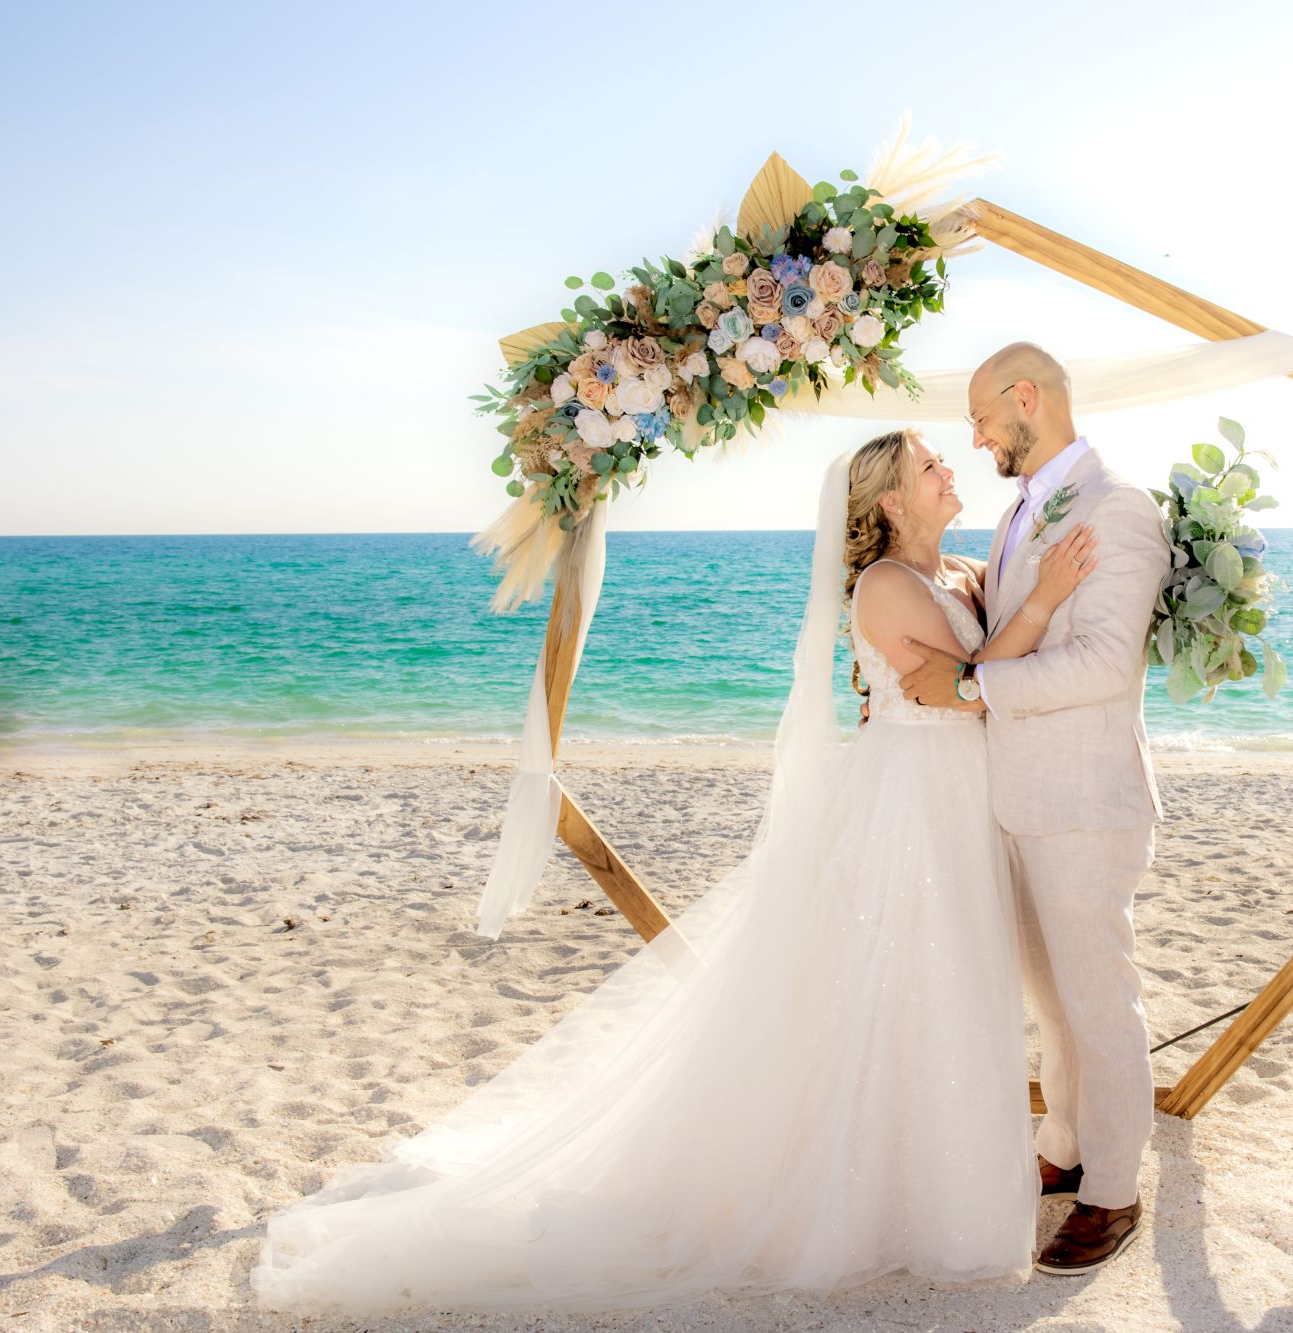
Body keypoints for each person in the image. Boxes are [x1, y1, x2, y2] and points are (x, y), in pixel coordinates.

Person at [248, 427, 1099, 1316]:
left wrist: (1030, 603)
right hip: (910, 799)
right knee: (913, 978)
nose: (947, 471)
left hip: (961, 796)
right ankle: (895, 1200)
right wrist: (1041, 603)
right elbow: (976, 677)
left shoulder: (957, 573)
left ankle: (935, 1180)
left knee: (953, 981)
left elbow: (979, 673)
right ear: (889, 499)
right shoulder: (886, 585)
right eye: (930, 466)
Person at [898, 342, 1172, 1276]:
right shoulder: (1024, 511)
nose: (974, 438)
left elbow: (1103, 663)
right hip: (1014, 797)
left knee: (1100, 1002)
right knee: (1051, 1002)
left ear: (1027, 398)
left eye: (981, 418)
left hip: (1083, 801)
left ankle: (1114, 1190)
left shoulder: (1118, 510)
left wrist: (971, 689)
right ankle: (1065, 1140)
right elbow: (1016, 614)